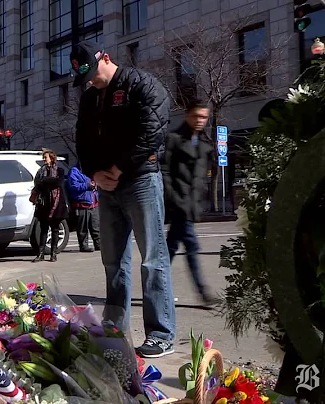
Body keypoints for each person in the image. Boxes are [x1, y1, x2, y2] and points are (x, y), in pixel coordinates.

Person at [71, 40, 176, 358]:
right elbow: (82, 139)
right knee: (113, 262)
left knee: (153, 259)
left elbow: (153, 129)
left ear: (105, 58)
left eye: (92, 74)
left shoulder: (140, 84)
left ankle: (161, 332)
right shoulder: (90, 98)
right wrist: (93, 172)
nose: (90, 82)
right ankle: (115, 327)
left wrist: (118, 168)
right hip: (106, 186)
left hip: (141, 180)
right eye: (84, 78)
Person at [163, 100, 217, 305]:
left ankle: (156, 286)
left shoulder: (204, 145)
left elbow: (202, 178)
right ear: (188, 115)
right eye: (196, 116)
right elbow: (165, 171)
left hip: (191, 205)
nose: (200, 121)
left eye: (204, 117)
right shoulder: (175, 139)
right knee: (191, 247)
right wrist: (174, 198)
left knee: (170, 248)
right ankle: (203, 292)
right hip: (179, 204)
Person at [31, 149, 68, 263]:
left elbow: (58, 182)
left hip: (56, 203)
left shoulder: (59, 170)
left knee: (55, 229)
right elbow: (37, 182)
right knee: (43, 229)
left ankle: (53, 253)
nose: (44, 160)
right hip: (43, 203)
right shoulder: (41, 171)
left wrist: (46, 180)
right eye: (44, 158)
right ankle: (40, 254)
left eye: (45, 158)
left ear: (51, 158)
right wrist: (47, 181)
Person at [66, 164, 100, 252]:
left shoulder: (92, 169)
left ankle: (98, 244)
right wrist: (87, 185)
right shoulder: (74, 171)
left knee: (96, 227)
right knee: (82, 228)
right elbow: (73, 186)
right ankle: (84, 246)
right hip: (81, 204)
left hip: (93, 203)